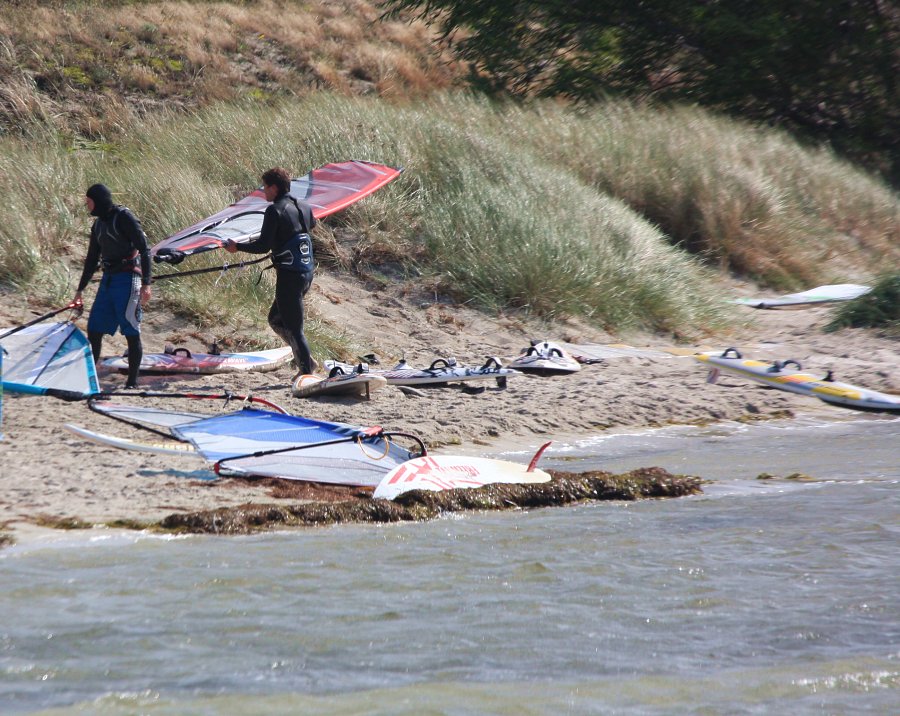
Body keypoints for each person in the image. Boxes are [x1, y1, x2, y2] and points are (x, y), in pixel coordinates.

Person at [224, 167, 318, 377]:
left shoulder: (274, 210)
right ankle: (305, 359)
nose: (262, 191)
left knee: (294, 328)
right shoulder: (303, 205)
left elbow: (262, 247)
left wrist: (236, 247)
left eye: (264, 187)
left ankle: (306, 372)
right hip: (306, 274)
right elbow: (310, 224)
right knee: (276, 319)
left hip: (289, 277)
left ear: (274, 188)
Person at [72, 184, 152, 389]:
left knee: (131, 330)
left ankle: (132, 383)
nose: (87, 206)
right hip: (108, 279)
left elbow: (145, 250)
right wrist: (79, 290)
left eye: (89, 202)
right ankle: (90, 379)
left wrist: (146, 284)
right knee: (94, 329)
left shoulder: (123, 217)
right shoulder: (98, 225)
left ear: (98, 201)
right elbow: (91, 260)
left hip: (128, 279)